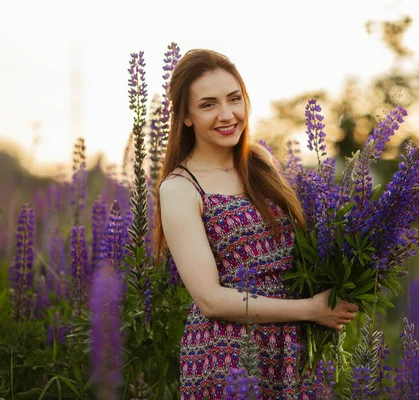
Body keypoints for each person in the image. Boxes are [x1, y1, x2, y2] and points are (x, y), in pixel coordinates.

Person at [153, 49, 358, 399]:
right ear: (185, 116)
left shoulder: (259, 163)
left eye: (234, 99)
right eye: (208, 105)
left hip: (290, 347)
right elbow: (211, 300)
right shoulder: (179, 188)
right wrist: (310, 309)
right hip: (226, 356)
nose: (227, 114)